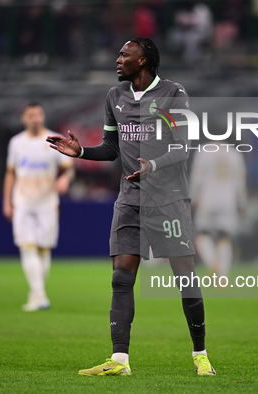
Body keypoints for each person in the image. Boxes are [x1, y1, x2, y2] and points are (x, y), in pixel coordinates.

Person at [47, 38, 216, 377]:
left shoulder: (174, 94)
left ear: (143, 61)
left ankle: (200, 355)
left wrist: (153, 166)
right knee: (121, 276)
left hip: (168, 199)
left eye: (125, 54)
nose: (118, 59)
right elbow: (111, 147)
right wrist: (81, 153)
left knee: (184, 276)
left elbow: (184, 147)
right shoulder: (115, 96)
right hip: (130, 199)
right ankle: (119, 360)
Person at [3, 102, 74, 312]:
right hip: (23, 202)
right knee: (27, 246)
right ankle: (40, 294)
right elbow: (10, 173)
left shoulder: (54, 140)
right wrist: (6, 201)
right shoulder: (16, 143)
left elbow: (69, 168)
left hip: (47, 203)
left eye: (38, 114)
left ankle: (36, 294)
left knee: (43, 249)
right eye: (31, 115)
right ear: (24, 118)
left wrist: (66, 180)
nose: (35, 118)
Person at [190, 144, 247, 278]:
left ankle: (213, 262)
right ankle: (223, 276)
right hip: (228, 200)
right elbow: (240, 182)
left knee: (202, 235)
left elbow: (196, 177)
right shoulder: (235, 154)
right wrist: (242, 203)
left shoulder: (203, 152)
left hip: (207, 199)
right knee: (224, 237)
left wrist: (192, 198)